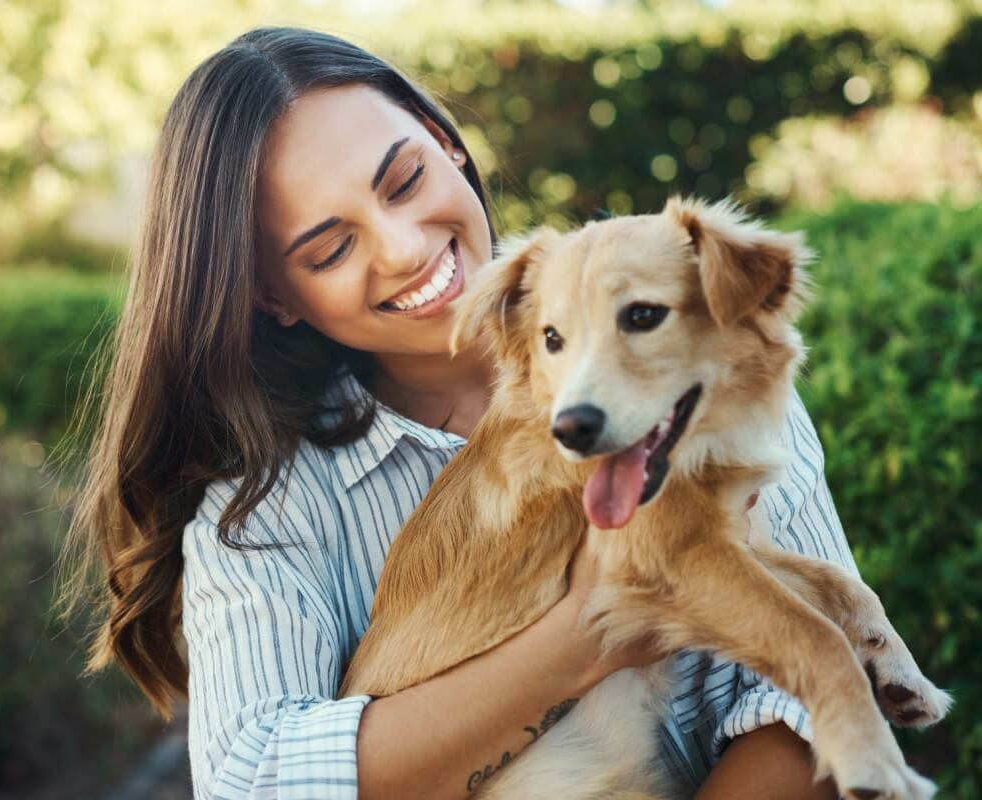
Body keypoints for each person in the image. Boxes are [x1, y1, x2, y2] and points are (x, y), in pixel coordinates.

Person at [59, 26, 855, 800]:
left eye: (403, 181)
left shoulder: (697, 360)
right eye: (330, 249)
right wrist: (585, 632)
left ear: (448, 143)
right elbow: (256, 780)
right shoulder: (264, 512)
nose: (403, 248)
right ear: (274, 296)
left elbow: (816, 711)